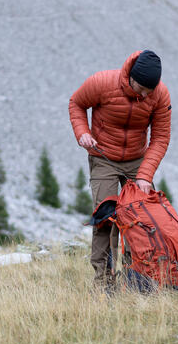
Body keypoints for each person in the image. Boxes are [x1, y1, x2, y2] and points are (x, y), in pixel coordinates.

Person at [68, 49, 172, 289]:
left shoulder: (160, 95)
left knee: (142, 217)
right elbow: (76, 103)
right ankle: (104, 282)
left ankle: (137, 277)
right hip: (103, 156)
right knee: (105, 217)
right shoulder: (102, 83)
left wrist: (145, 176)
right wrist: (82, 133)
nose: (145, 94)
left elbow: (160, 138)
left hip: (137, 160)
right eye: (141, 88)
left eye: (150, 90)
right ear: (131, 77)